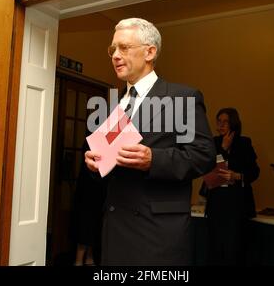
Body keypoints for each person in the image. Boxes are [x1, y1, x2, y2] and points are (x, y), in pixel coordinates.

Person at [84, 18, 216, 265]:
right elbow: (107, 166)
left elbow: (203, 155)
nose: (115, 55)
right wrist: (95, 163)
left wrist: (154, 160)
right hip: (114, 231)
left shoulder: (181, 97)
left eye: (124, 47)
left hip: (158, 235)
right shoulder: (116, 104)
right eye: (113, 49)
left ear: (150, 52)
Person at [202, 108, 260, 265]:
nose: (220, 125)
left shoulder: (244, 143)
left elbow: (254, 172)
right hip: (216, 203)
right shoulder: (213, 143)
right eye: (218, 121)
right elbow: (208, 167)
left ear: (233, 123)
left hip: (237, 204)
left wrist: (237, 176)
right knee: (215, 250)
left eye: (225, 122)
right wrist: (223, 148)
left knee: (234, 251)